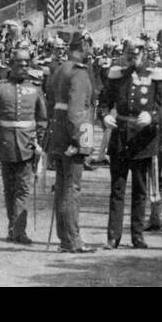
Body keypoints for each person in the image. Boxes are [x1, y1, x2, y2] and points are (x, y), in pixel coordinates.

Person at [102, 40, 162, 250]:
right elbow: (104, 101)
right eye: (129, 54)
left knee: (140, 190)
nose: (133, 58)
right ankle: (113, 236)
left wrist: (151, 116)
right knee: (117, 189)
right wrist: (104, 117)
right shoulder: (117, 76)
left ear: (144, 54)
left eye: (136, 54)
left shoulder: (155, 76)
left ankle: (137, 235)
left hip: (143, 140)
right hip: (121, 137)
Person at [0, 50, 47, 244]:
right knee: (9, 189)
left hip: (28, 144)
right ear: (11, 65)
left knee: (23, 189)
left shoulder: (35, 89)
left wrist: (41, 144)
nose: (23, 67)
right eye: (19, 64)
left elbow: (42, 119)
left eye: (26, 63)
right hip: (6, 145)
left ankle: (19, 230)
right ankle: (13, 226)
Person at [45, 33, 97, 253]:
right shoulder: (79, 72)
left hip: (57, 134)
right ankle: (72, 240)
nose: (91, 51)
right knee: (72, 188)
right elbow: (77, 111)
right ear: (83, 45)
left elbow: (51, 104)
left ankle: (64, 238)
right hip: (71, 136)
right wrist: (79, 140)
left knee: (62, 187)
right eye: (90, 46)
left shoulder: (59, 70)